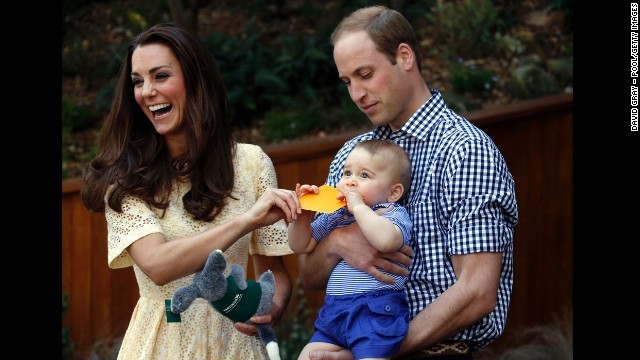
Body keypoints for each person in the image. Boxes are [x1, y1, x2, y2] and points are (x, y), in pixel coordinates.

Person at [297, 6, 519, 360]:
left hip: (438, 351)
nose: (356, 93)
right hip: (349, 342)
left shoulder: (465, 150)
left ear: (404, 56)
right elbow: (309, 275)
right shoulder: (351, 158)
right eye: (347, 81)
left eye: (365, 74)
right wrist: (338, 242)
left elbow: (476, 291)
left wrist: (377, 350)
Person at [81, 23, 301, 360]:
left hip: (237, 348)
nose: (147, 91)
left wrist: (273, 306)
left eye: (160, 76)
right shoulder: (124, 179)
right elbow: (157, 265)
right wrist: (246, 221)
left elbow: (274, 273)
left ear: (196, 80)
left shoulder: (252, 163)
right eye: (138, 82)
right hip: (161, 346)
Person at [289, 139, 413, 360]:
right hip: (335, 311)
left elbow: (386, 241)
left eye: (364, 176)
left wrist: (358, 207)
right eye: (347, 173)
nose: (351, 182)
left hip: (374, 309)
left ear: (393, 192)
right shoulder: (337, 216)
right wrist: (302, 216)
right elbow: (301, 245)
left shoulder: (390, 212)